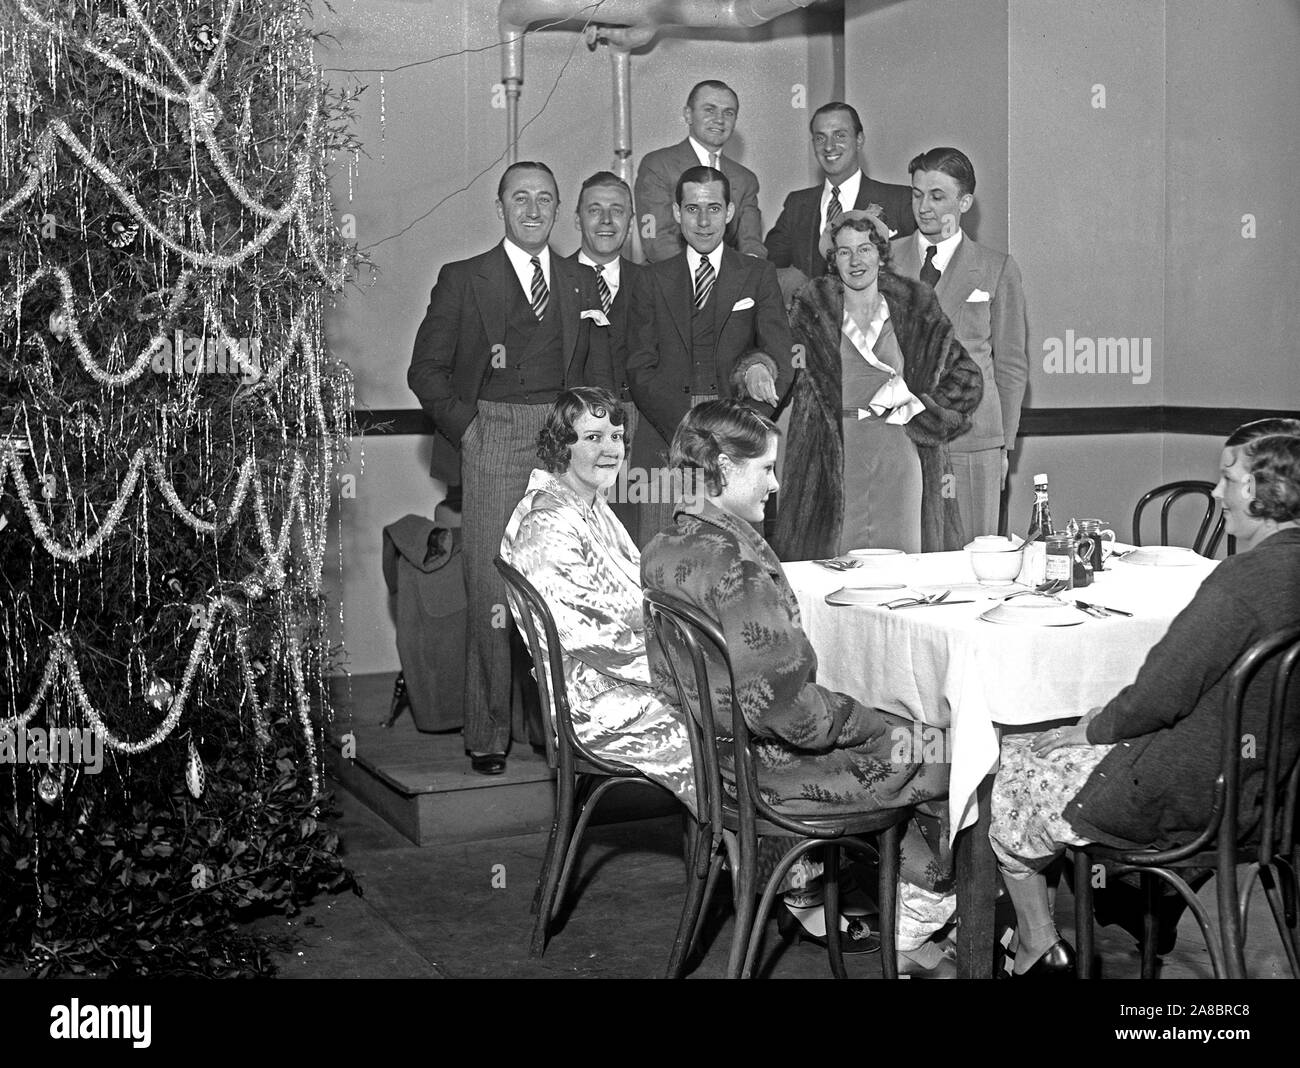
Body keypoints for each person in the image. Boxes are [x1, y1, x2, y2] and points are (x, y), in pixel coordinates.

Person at [642, 400, 959, 978]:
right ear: (718, 468)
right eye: (764, 469)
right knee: (947, 751)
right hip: (768, 775)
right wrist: (876, 723)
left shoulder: (664, 548)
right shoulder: (738, 567)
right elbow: (796, 719)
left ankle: (908, 912)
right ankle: (923, 921)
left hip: (716, 765)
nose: (776, 483)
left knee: (910, 736)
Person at [989, 423, 1300, 977]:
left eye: (1227, 478)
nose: (1215, 492)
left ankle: (1038, 940)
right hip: (1268, 797)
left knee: (1020, 755)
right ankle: (1133, 897)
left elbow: (1160, 696)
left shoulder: (1242, 581)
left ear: (1261, 488)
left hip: (1195, 797)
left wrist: (1091, 728)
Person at [408, 161, 612, 776]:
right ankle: (489, 734)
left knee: (569, 586)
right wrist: (470, 429)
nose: (532, 210)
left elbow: (599, 369)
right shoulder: (465, 278)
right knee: (493, 590)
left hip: (565, 443)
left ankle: (567, 732)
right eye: (519, 198)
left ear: (558, 210)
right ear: (500, 206)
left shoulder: (582, 281)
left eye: (544, 200)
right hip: (493, 434)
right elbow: (426, 371)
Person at [499, 387, 696, 810]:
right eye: (593, 437)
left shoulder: (591, 506)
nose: (610, 449)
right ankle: (759, 858)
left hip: (620, 684)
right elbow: (590, 637)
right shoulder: (548, 523)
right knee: (727, 727)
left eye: (616, 436)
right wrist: (685, 671)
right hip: (592, 706)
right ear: (560, 444)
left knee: (742, 713)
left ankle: (751, 856)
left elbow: (640, 598)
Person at [772, 210, 982, 560]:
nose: (856, 260)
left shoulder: (916, 309)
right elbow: (780, 368)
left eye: (865, 248)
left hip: (899, 455)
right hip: (832, 459)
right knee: (835, 573)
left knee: (903, 573)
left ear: (881, 254)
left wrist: (917, 405)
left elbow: (967, 378)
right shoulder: (811, 312)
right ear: (832, 260)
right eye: (844, 251)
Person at [625, 165, 792, 548]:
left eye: (714, 209)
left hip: (738, 442)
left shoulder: (758, 275)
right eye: (693, 209)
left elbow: (780, 358)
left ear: (730, 213)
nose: (703, 221)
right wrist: (690, 432)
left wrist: (739, 432)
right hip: (667, 439)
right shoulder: (650, 280)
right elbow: (639, 366)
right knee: (666, 567)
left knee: (739, 565)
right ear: (676, 212)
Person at [892, 148, 1027, 540]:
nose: (924, 207)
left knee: (972, 563)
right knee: (906, 561)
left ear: (964, 202)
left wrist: (1003, 445)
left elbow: (1012, 366)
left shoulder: (996, 267)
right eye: (917, 195)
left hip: (972, 438)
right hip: (901, 437)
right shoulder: (886, 261)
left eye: (938, 196)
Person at [765, 101, 916, 304]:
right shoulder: (797, 204)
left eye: (840, 135)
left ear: (859, 140)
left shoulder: (899, 200)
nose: (829, 146)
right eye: (820, 138)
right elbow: (768, 267)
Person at [567, 172, 643, 536]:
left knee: (630, 542)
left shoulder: (653, 283)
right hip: (572, 441)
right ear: (577, 217)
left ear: (631, 220)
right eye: (595, 210)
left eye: (617, 210)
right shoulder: (551, 280)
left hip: (639, 443)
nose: (607, 221)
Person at [634, 80, 765, 263]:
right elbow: (657, 242)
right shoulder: (658, 165)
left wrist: (747, 272)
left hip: (730, 280)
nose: (719, 119)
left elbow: (751, 242)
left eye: (728, 113)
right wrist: (702, 277)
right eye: (709, 110)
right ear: (688, 115)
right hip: (671, 277)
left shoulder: (745, 179)